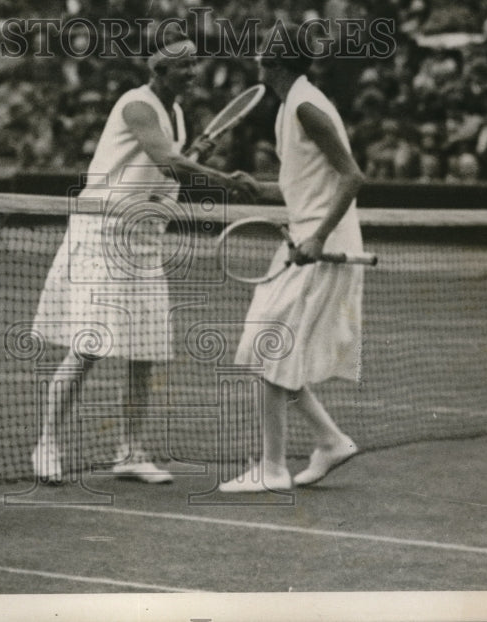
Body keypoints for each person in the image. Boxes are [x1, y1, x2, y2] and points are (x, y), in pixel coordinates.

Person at [31, 35, 259, 484]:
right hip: (102, 231)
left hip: (144, 239)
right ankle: (46, 443)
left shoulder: (175, 114)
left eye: (195, 64)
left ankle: (130, 451)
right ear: (158, 68)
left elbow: (169, 170)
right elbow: (166, 159)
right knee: (89, 346)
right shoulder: (136, 105)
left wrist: (196, 159)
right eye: (183, 65)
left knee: (144, 350)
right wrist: (222, 178)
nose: (192, 72)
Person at [219, 25, 364, 493]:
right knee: (269, 346)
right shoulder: (292, 105)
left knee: (269, 345)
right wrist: (260, 188)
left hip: (323, 246)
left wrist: (319, 238)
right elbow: (306, 181)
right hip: (304, 241)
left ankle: (275, 468)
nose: (256, 59)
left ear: (274, 65)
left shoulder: (305, 104)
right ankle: (330, 440)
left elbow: (351, 176)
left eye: (262, 54)